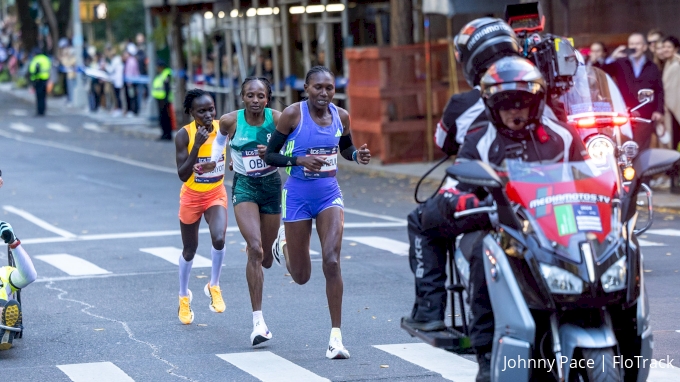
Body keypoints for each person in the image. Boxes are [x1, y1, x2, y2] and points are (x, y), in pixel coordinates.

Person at [455, 56, 587, 382]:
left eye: (523, 103)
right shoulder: (479, 139)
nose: (516, 111)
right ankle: (486, 356)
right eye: (506, 104)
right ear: (492, 107)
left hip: (560, 226)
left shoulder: (563, 134)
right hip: (500, 229)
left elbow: (588, 178)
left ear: (536, 102)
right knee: (483, 257)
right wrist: (468, 198)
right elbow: (458, 186)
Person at [408, 18, 520, 331]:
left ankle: (429, 312)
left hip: (485, 199)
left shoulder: (463, 103)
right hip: (529, 197)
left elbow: (442, 143)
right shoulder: (542, 90)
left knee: (420, 220)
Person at [263, 66, 371, 359]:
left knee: (332, 260)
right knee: (301, 276)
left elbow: (345, 149)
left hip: (328, 194)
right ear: (306, 89)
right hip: (297, 194)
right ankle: (282, 244)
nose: (324, 93)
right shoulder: (292, 115)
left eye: (329, 88)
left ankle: (336, 338)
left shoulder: (342, 116)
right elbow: (271, 154)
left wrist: (356, 156)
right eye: (318, 88)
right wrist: (298, 160)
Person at [204, 77, 282, 346]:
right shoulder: (230, 121)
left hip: (271, 186)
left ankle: (275, 246)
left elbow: (293, 147)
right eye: (250, 95)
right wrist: (214, 162)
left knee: (267, 259)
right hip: (245, 187)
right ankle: (258, 322)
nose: (256, 100)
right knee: (255, 249)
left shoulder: (278, 119)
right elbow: (219, 142)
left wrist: (273, 152)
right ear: (242, 97)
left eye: (261, 96)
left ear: (268, 98)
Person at [174, 89, 228, 325]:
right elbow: (183, 175)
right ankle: (184, 296)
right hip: (192, 197)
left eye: (211, 109)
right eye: (201, 111)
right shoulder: (184, 135)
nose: (208, 115)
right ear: (191, 113)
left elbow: (235, 145)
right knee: (190, 249)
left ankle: (213, 285)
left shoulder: (223, 127)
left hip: (216, 193)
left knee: (219, 238)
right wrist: (197, 146)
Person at [603, 33, 665, 151]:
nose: (634, 47)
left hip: (645, 113)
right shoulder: (620, 63)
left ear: (644, 47)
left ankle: (639, 169)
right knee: (625, 146)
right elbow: (603, 72)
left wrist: (659, 110)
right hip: (624, 112)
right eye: (631, 44)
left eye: (637, 44)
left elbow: (659, 89)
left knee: (641, 148)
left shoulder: (652, 66)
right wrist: (612, 57)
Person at [0, 221, 37, 350]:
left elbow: (29, 276)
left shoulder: (3, 273)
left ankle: (4, 333)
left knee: (4, 306)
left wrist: (13, 242)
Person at [660, 36, 680, 152]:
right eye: (664, 47)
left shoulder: (675, 65)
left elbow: (670, 91)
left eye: (669, 47)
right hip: (671, 109)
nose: (665, 49)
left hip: (673, 110)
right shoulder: (669, 63)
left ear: (675, 49)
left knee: (674, 140)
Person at [152, 60, 173, 141]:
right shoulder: (161, 74)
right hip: (160, 99)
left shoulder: (166, 74)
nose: (157, 68)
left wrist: (166, 99)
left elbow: (167, 88)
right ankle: (164, 134)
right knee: (162, 118)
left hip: (164, 100)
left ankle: (167, 134)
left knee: (166, 118)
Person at [28, 48, 51, 116]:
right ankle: (43, 110)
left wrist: (32, 80)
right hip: (45, 79)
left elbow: (35, 70)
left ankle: (39, 111)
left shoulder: (36, 59)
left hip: (38, 79)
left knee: (39, 96)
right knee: (43, 96)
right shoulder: (46, 59)